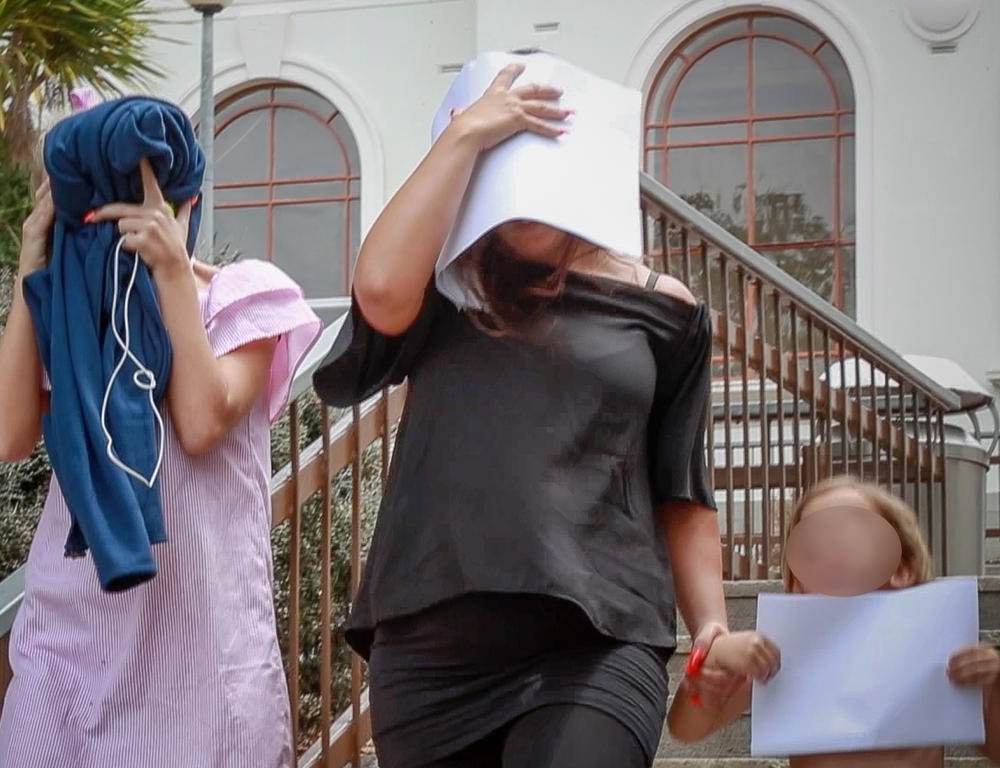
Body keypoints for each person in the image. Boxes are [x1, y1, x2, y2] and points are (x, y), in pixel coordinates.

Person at [312, 59, 733, 768]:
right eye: (498, 159)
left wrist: (712, 624)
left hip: (597, 636)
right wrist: (464, 134)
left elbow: (681, 489)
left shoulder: (668, 309)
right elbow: (379, 291)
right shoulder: (444, 286)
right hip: (432, 651)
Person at [0, 157, 321, 767]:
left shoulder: (243, 296)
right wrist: (32, 267)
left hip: (203, 660)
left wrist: (168, 271)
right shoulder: (73, 311)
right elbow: (5, 438)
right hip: (68, 646)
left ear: (181, 203)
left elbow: (201, 422)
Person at [667, 477, 1000, 767]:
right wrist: (706, 679)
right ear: (797, 581)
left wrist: (993, 685)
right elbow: (686, 728)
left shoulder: (937, 648)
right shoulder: (785, 651)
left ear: (902, 568)